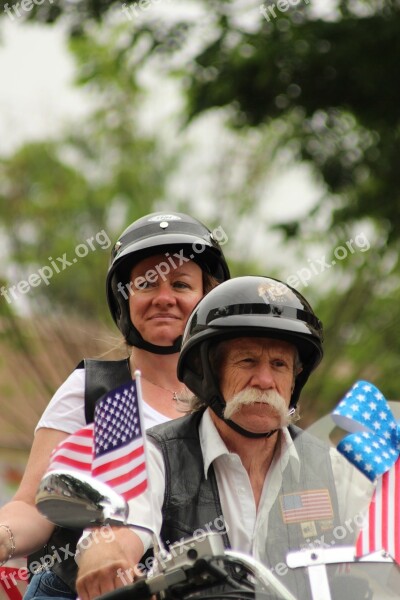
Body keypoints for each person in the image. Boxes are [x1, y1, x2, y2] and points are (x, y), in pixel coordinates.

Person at [75, 275, 375, 600]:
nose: (264, 379)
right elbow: (117, 529)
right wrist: (108, 557)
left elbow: (381, 551)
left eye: (279, 364)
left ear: (293, 381)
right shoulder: (156, 454)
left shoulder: (333, 468)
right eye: (247, 361)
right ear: (209, 372)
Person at [0, 211, 230, 599]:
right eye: (146, 284)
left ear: (207, 297)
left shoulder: (227, 401)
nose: (164, 298)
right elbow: (33, 505)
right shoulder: (95, 390)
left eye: (181, 284)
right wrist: (3, 537)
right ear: (125, 298)